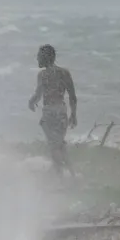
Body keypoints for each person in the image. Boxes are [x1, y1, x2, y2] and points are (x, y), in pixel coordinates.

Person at [28, 44, 77, 175]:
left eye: (39, 56)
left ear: (45, 58)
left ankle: (60, 177)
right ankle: (72, 174)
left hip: (49, 112)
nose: (37, 59)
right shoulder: (64, 73)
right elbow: (72, 96)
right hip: (61, 110)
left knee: (53, 146)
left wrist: (31, 102)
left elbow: (38, 94)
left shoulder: (43, 74)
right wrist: (73, 114)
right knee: (60, 144)